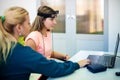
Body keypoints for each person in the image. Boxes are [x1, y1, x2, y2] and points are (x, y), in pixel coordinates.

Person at [0, 6, 90, 80]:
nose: (30, 26)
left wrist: (65, 57)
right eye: (28, 23)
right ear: (19, 28)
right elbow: (51, 68)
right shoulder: (23, 52)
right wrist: (77, 64)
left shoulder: (6, 48)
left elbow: (46, 55)